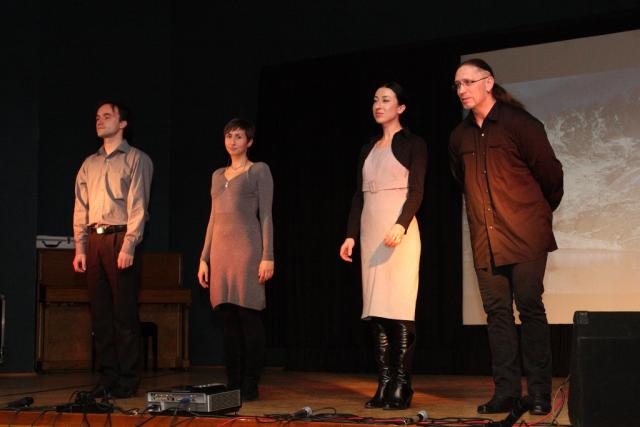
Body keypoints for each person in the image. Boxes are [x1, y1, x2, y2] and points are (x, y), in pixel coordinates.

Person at [449, 58, 564, 416]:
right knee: (497, 314)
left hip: (526, 234)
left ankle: (540, 393)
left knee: (529, 308)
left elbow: (551, 176)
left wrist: (534, 213)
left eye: (468, 82)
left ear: (488, 82)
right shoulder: (459, 136)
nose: (462, 90)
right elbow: (461, 181)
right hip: (486, 239)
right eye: (457, 84)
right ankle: (506, 392)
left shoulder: (521, 124)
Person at [340, 82, 427, 410]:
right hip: (370, 231)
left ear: (400, 107)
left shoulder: (414, 143)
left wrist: (401, 224)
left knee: (399, 308)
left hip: (398, 231)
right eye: (375, 99)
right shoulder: (368, 147)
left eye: (386, 99)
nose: (378, 104)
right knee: (376, 311)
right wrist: (350, 235)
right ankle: (385, 381)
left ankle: (402, 385)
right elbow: (358, 196)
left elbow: (416, 191)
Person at [73, 101, 153, 398]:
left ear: (122, 123)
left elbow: (138, 206)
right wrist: (80, 247)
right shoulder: (89, 163)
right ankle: (107, 378)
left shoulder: (136, 159)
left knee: (124, 314)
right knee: (101, 315)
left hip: (121, 238)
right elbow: (80, 207)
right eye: (97, 117)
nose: (100, 120)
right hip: (95, 240)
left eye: (107, 116)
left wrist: (129, 244)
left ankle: (128, 379)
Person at [198, 118, 274, 402]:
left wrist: (268, 256)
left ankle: (250, 382)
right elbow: (213, 218)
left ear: (249, 141)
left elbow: (266, 215)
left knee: (248, 316)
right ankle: (233, 382)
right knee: (228, 319)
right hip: (220, 253)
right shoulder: (217, 175)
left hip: (247, 251)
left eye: (238, 136)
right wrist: (204, 258)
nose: (233, 141)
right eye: (229, 136)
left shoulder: (258, 170)